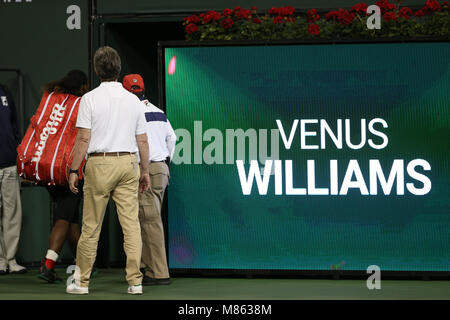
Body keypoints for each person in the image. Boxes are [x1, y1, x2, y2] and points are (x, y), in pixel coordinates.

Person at [67, 46, 150, 295]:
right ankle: (135, 282)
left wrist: (74, 169)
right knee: (131, 226)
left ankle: (81, 283)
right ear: (119, 68)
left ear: (96, 69)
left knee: (91, 227)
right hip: (128, 163)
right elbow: (143, 141)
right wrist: (144, 170)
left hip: (99, 164)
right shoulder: (133, 100)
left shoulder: (89, 99)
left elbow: (82, 140)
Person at [122, 74, 176, 286]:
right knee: (145, 220)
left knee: (149, 221)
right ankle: (145, 267)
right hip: (160, 167)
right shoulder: (158, 111)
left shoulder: (129, 112)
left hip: (144, 168)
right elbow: (172, 138)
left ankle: (159, 272)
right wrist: (165, 162)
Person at [36, 70, 88, 283]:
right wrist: (75, 170)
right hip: (69, 170)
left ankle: (83, 263)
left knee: (72, 218)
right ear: (82, 87)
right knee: (65, 216)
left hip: (49, 167)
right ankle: (47, 265)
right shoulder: (81, 104)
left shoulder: (53, 99)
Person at [0, 83, 26, 275]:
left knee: (12, 213)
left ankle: (11, 259)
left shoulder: (4, 91)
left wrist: (17, 153)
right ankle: (0, 260)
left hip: (9, 162)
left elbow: (15, 125)